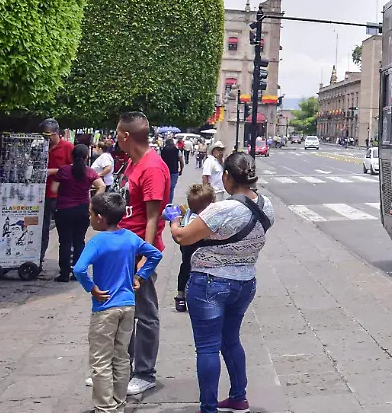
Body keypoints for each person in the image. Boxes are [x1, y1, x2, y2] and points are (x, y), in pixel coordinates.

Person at [170, 152, 274, 413]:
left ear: (227, 177)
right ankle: (239, 397)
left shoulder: (221, 209)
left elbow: (183, 237)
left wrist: (172, 220)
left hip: (210, 283)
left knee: (207, 347)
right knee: (231, 340)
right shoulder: (266, 205)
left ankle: (208, 407)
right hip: (245, 282)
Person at [74, 191, 162, 413]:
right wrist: (140, 276)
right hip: (128, 306)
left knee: (101, 360)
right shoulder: (131, 237)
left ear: (100, 218)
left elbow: (79, 269)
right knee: (121, 356)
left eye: (91, 214)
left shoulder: (97, 241)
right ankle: (119, 402)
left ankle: (105, 407)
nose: (90, 218)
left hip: (104, 308)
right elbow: (155, 255)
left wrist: (91, 288)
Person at [114, 111, 171, 395]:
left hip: (138, 252)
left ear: (126, 136)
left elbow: (152, 216)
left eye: (117, 132)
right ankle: (123, 367)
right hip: (123, 249)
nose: (115, 137)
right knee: (123, 311)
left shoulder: (151, 168)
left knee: (145, 313)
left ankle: (145, 372)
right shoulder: (132, 164)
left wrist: (144, 259)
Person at [49, 144, 105, 282]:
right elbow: (102, 186)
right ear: (87, 157)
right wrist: (92, 201)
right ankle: (77, 272)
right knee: (79, 241)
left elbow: (54, 189)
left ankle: (64, 273)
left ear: (71, 156)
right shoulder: (90, 172)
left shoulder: (63, 171)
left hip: (64, 210)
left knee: (65, 241)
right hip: (82, 210)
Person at [173, 183, 216, 313]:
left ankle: (181, 295)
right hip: (197, 247)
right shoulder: (202, 217)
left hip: (187, 248)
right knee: (193, 270)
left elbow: (178, 209)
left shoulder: (188, 211)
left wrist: (174, 216)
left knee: (185, 268)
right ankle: (186, 295)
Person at [40, 118, 74, 271]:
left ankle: (68, 264)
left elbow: (74, 168)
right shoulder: (41, 147)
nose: (47, 140)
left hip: (61, 196)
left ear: (56, 133)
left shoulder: (68, 147)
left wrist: (53, 171)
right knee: (42, 228)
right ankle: (38, 259)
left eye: (49, 136)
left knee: (65, 231)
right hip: (43, 195)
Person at [159, 134, 184, 206]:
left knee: (164, 187)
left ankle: (163, 202)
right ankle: (169, 203)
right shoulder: (177, 151)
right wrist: (181, 170)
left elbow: (160, 161)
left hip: (164, 171)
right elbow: (181, 162)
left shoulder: (163, 151)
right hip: (174, 171)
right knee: (171, 188)